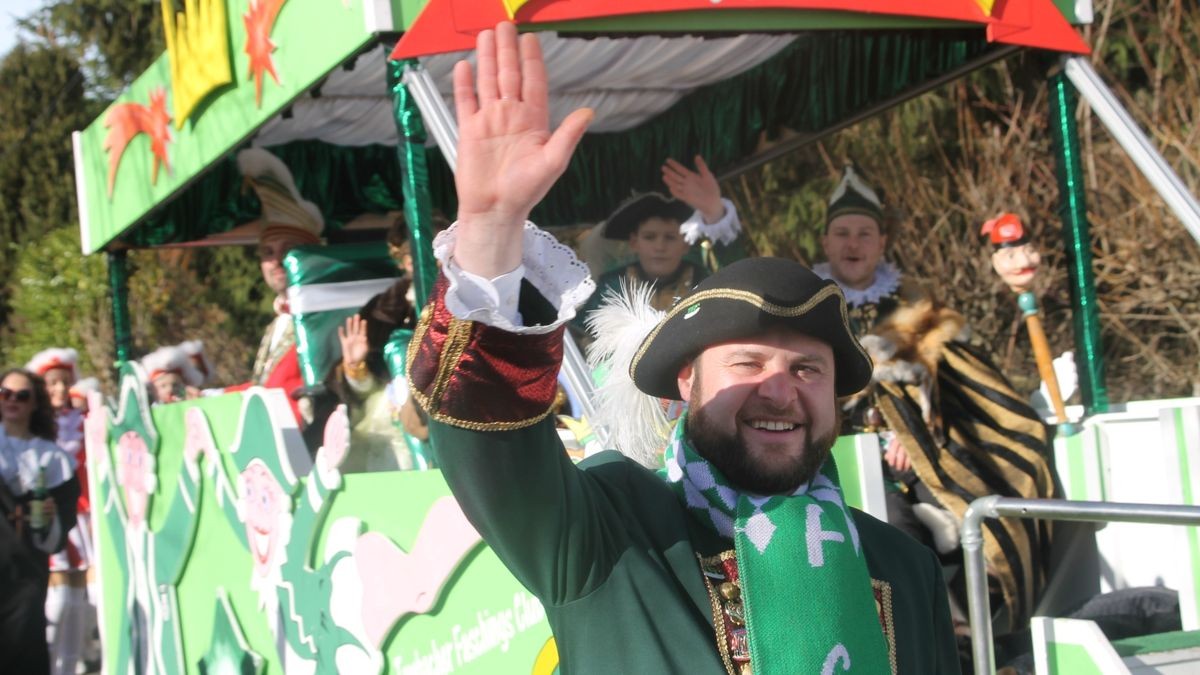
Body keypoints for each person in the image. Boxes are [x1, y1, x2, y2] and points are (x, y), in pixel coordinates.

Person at [406, 23, 958, 673]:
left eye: (807, 368)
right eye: (747, 362)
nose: (779, 388)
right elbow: (487, 441)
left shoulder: (903, 567)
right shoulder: (608, 531)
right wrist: (492, 230)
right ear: (687, 383)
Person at [815, 169, 1059, 635]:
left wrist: (918, 433)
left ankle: (989, 633)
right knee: (892, 530)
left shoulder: (918, 306)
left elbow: (957, 387)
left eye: (865, 233)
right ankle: (945, 639)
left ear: (882, 241)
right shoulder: (810, 308)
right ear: (826, 242)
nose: (853, 243)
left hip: (929, 454)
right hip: (844, 461)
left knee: (1006, 498)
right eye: (843, 233)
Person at [576, 160, 742, 333]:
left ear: (685, 244)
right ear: (634, 243)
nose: (660, 246)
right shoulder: (611, 286)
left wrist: (715, 212)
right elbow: (580, 333)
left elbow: (738, 282)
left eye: (670, 238)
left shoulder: (703, 282)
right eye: (649, 237)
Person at [225, 147, 325, 426]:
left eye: (287, 249)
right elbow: (263, 388)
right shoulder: (279, 321)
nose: (276, 260)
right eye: (267, 252)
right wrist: (213, 396)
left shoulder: (324, 313)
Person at [0, 368, 79, 674]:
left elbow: (63, 520)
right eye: (4, 394)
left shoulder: (53, 458)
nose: (12, 401)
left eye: (22, 396)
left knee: (23, 648)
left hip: (25, 571)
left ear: (35, 403)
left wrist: (50, 517)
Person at [25, 349, 95, 675]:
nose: (59, 389)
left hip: (82, 514)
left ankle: (72, 665)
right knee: (60, 598)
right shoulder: (31, 428)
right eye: (52, 383)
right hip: (47, 517)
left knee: (81, 597)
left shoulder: (82, 418)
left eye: (64, 383)